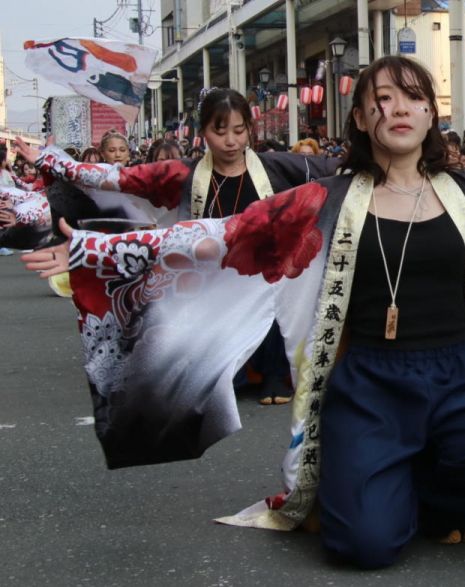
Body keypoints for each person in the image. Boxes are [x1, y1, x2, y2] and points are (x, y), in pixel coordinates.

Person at [21, 55, 465, 568]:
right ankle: (376, 480)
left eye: (411, 96)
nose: (396, 108)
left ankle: (426, 489)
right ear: (362, 118)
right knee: (362, 548)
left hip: (456, 376)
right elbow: (223, 238)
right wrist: (95, 254)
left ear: (431, 112)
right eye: (380, 100)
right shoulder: (328, 198)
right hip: (366, 381)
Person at [21, 89, 339, 406]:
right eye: (220, 131)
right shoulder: (183, 173)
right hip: (208, 271)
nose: (231, 140)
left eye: (239, 131)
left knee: (278, 295)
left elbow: (336, 168)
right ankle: (228, 371)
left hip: (267, 267)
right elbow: (122, 178)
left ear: (249, 131)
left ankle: (272, 372)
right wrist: (53, 161)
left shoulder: (279, 167)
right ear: (203, 133)